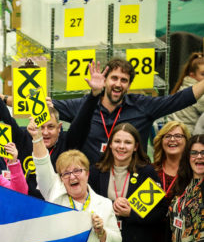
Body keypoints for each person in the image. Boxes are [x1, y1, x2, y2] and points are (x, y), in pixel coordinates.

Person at [0, 56, 104, 197]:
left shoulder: (68, 142)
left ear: (60, 128)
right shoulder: (24, 139)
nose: (45, 132)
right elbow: (4, 117)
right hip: (30, 207)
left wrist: (94, 95)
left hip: (58, 208)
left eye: (51, 127)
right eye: (40, 127)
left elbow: (82, 122)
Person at [51, 57, 204, 164]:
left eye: (124, 80)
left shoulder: (143, 105)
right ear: (105, 81)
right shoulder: (83, 105)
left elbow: (181, 99)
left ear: (129, 86)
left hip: (131, 182)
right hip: (92, 184)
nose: (118, 84)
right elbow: (47, 106)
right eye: (114, 78)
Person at [165, 53, 204, 132]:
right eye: (203, 74)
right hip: (187, 136)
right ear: (192, 75)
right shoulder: (196, 93)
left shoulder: (184, 87)